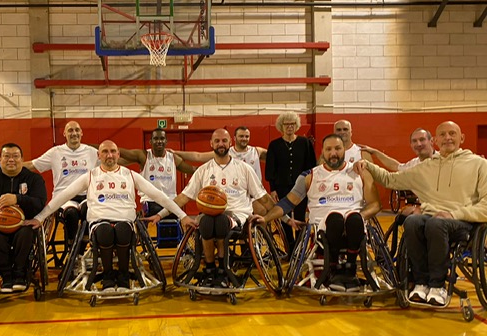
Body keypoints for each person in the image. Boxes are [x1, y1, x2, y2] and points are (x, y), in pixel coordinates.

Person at [26, 140, 196, 290]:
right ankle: (107, 276)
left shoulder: (130, 175)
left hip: (125, 221)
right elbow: (63, 196)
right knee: (105, 232)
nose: (110, 155)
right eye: (105, 152)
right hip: (100, 222)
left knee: (122, 231)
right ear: (98, 156)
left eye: (113, 151)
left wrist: (183, 216)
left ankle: (122, 277)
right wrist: (40, 217)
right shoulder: (90, 176)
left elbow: (161, 196)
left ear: (118, 154)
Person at [354, 121, 487, 305]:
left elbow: (485, 205)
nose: (447, 138)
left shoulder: (479, 164)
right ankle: (421, 283)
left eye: (452, 134)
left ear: (461, 138)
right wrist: (367, 165)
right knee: (412, 222)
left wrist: (454, 214)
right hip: (434, 219)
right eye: (443, 135)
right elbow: (390, 179)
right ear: (436, 140)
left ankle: (438, 285)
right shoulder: (426, 167)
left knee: (435, 223)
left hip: (463, 222)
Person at [149, 129, 281, 288]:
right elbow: (183, 197)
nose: (221, 144)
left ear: (230, 143)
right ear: (211, 144)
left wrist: (284, 217)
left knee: (219, 221)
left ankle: (223, 269)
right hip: (210, 215)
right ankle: (211, 269)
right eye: (217, 141)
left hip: (237, 215)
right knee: (205, 221)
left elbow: (264, 198)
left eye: (224, 141)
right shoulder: (203, 170)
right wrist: (161, 214)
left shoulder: (244, 169)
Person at [257, 134, 381, 291]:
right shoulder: (310, 176)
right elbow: (287, 203)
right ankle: (334, 268)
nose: (333, 153)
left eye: (337, 148)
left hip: (355, 224)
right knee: (335, 219)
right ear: (322, 151)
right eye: (328, 149)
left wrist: (360, 217)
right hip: (323, 227)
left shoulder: (361, 172)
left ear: (345, 150)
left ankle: (349, 269)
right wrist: (266, 218)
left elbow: (375, 204)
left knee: (353, 219)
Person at [0, 143, 47, 292]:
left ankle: (20, 274)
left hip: (23, 224)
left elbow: (39, 203)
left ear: (22, 159)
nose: (11, 160)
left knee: (26, 232)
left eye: (15, 156)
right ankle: (6, 276)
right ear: (0, 159)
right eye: (6, 156)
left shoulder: (34, 179)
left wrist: (17, 199)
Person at [23, 120, 98, 243]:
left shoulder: (92, 152)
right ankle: (71, 244)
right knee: (71, 214)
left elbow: (112, 162)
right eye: (70, 130)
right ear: (64, 134)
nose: (74, 133)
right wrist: (10, 166)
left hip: (86, 196)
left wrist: (137, 160)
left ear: (81, 133)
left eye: (77, 130)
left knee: (88, 211)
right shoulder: (55, 152)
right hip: (63, 197)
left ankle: (80, 251)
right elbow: (33, 165)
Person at [264, 112, 317, 246]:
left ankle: (300, 247)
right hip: (281, 186)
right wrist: (273, 189)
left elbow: (312, 166)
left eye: (292, 124)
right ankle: (290, 245)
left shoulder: (305, 142)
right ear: (281, 126)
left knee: (300, 217)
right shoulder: (274, 145)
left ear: (296, 125)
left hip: (302, 187)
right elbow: (271, 167)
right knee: (284, 218)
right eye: (286, 124)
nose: (289, 127)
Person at [117, 128, 195, 217]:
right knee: (157, 209)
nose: (159, 141)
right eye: (156, 139)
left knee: (175, 214)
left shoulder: (173, 158)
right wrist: (99, 149)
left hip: (170, 201)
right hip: (150, 201)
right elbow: (121, 152)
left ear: (166, 141)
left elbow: (192, 169)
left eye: (162, 139)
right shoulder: (144, 156)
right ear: (150, 141)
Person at [359, 128, 435, 172]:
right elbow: (395, 166)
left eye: (422, 139)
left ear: (431, 141)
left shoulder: (443, 160)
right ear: (411, 145)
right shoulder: (414, 163)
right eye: (414, 141)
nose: (419, 144)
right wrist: (374, 152)